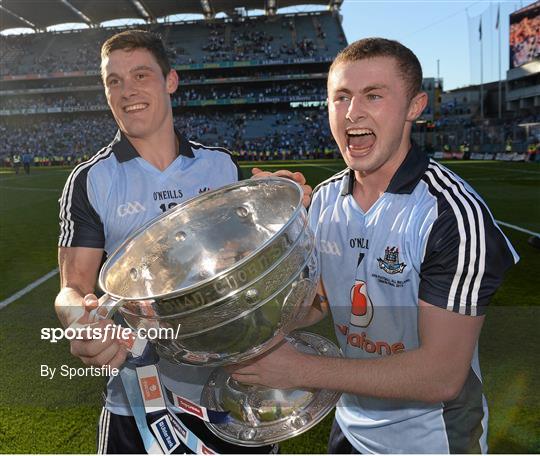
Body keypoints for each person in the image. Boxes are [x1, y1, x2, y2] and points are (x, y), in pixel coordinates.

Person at [231, 38, 519, 454]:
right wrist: (263, 239)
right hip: (350, 428)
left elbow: (441, 375)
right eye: (341, 97)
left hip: (433, 438)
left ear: (415, 106)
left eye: (374, 96)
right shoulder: (324, 201)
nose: (352, 113)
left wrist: (299, 368)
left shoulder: (450, 214)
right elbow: (316, 304)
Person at [55, 29, 309, 454]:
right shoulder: (91, 179)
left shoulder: (220, 166)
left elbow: (244, 262)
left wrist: (280, 205)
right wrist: (78, 321)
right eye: (113, 81)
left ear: (170, 80)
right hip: (137, 399)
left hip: (231, 388)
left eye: (140, 76)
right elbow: (73, 287)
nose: (126, 91)